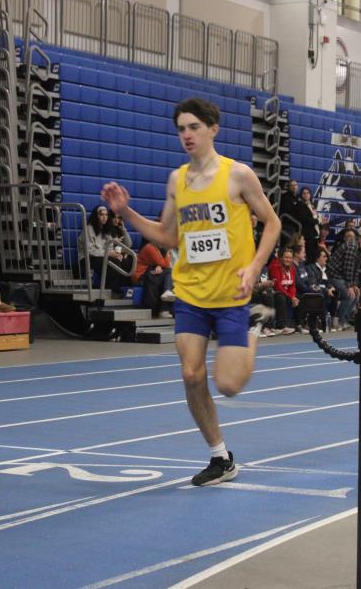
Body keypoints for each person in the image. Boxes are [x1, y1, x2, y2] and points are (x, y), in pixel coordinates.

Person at [101, 96, 280, 487]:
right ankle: (220, 457)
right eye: (181, 128)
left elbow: (272, 223)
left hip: (231, 295)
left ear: (213, 129)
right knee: (191, 373)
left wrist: (254, 267)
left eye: (194, 127)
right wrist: (125, 212)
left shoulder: (238, 175)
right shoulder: (176, 180)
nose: (187, 135)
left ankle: (254, 325)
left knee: (228, 385)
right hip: (191, 295)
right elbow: (167, 236)